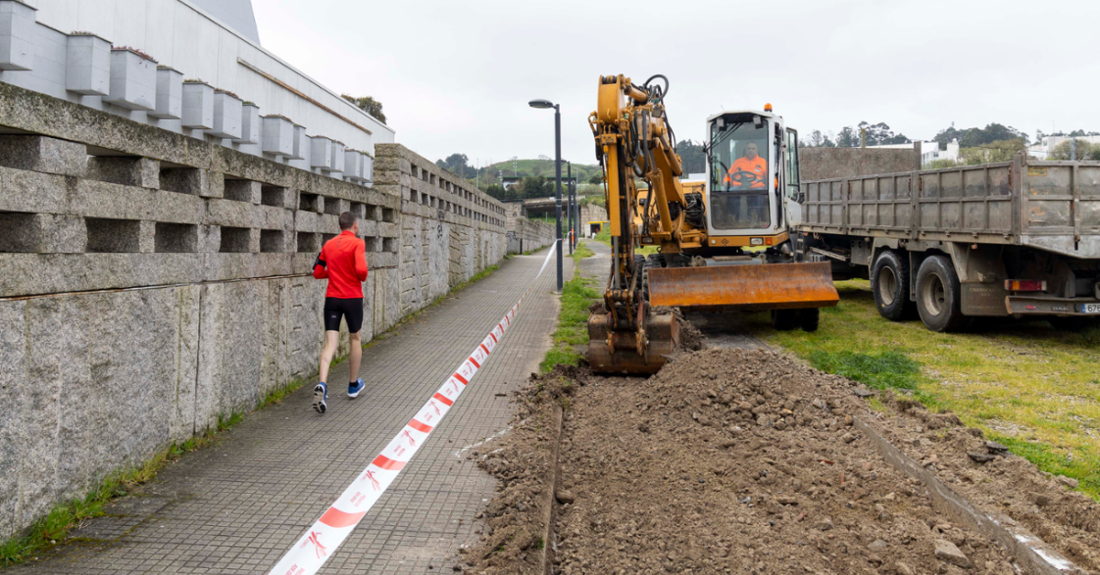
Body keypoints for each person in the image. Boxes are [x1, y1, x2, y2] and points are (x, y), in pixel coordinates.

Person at [311, 211, 369, 414]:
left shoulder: (328, 245)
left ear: (339, 226)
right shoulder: (357, 243)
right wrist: (352, 272)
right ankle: (353, 385)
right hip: (352, 298)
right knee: (355, 339)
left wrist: (334, 272)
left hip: (332, 299)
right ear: (354, 225)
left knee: (330, 344)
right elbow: (362, 272)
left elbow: (317, 272)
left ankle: (323, 385)